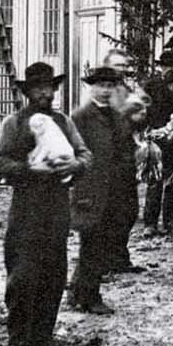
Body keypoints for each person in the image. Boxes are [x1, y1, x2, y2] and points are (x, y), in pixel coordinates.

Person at [0, 62, 92, 346]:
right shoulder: (15, 123)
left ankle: (43, 336)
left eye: (49, 88)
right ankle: (19, 338)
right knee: (22, 272)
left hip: (57, 205)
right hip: (26, 205)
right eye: (39, 89)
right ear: (28, 92)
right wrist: (29, 169)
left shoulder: (63, 123)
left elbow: (85, 155)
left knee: (53, 272)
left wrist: (75, 164)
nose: (46, 94)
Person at [69, 66, 139, 314]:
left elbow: (127, 149)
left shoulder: (118, 117)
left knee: (101, 241)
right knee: (92, 242)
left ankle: (79, 290)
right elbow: (74, 155)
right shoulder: (80, 118)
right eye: (101, 86)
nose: (106, 91)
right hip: (90, 188)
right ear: (92, 87)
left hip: (115, 189)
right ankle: (89, 297)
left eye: (111, 86)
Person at [142, 50, 173, 236]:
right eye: (164, 66)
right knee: (154, 180)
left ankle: (170, 219)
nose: (167, 70)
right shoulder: (151, 87)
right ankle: (150, 223)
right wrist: (147, 132)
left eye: (171, 66)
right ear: (160, 67)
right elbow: (142, 112)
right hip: (156, 138)